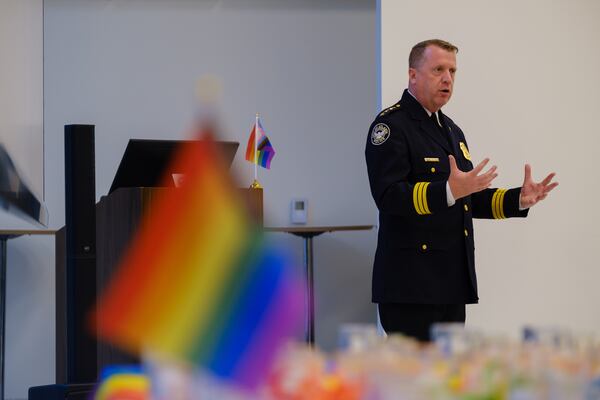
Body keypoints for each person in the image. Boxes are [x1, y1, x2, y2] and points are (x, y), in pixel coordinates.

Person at [364, 39, 558, 342]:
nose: (448, 79)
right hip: (411, 285)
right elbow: (388, 196)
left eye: (453, 71)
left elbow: (467, 197)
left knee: (448, 383)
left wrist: (516, 199)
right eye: (438, 69)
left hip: (450, 282)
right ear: (413, 75)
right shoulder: (391, 126)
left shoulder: (451, 130)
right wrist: (447, 190)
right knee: (414, 383)